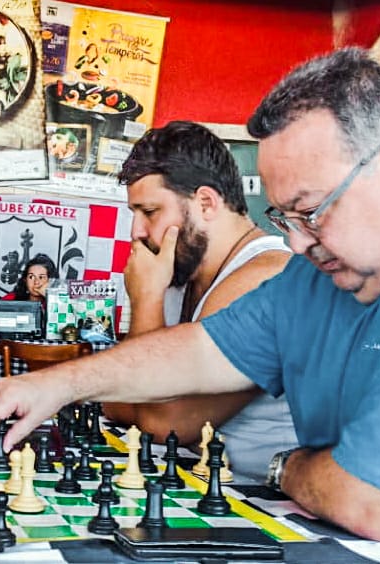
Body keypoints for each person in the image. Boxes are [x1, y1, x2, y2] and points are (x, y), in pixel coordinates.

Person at [0, 47, 380, 563]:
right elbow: (201, 351)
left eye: (311, 210)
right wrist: (59, 385)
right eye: (286, 218)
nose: (296, 242)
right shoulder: (325, 272)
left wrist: (288, 468)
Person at [102, 121, 296, 480]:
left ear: (206, 202)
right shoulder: (178, 274)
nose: (136, 232)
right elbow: (114, 398)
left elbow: (163, 424)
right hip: (190, 482)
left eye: (150, 212)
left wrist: (146, 298)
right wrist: (137, 401)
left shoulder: (266, 276)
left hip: (259, 498)